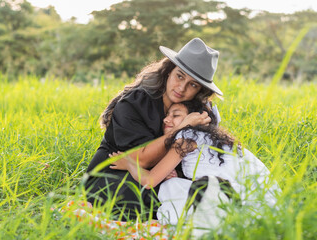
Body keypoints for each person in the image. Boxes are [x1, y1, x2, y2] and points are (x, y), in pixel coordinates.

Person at [84, 38, 224, 220]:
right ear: (168, 72)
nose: (182, 88)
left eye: (193, 84)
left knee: (190, 195)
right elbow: (141, 160)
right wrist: (182, 127)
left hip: (162, 175)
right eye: (179, 76)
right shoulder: (133, 103)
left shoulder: (195, 110)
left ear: (200, 91)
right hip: (116, 172)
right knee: (134, 197)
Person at [110, 101, 280, 231]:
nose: (166, 119)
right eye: (167, 115)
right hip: (264, 206)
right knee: (176, 183)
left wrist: (130, 164)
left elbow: (150, 181)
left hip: (235, 204)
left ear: (195, 120)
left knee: (170, 186)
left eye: (176, 115)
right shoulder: (220, 142)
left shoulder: (186, 138)